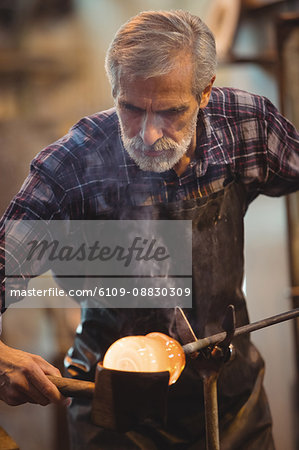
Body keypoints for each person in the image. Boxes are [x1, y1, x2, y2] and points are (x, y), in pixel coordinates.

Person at [0, 9, 298, 450]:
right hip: (117, 417)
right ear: (115, 90)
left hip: (234, 405)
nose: (149, 134)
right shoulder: (73, 165)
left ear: (205, 92)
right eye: (132, 108)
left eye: (172, 112)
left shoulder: (244, 126)